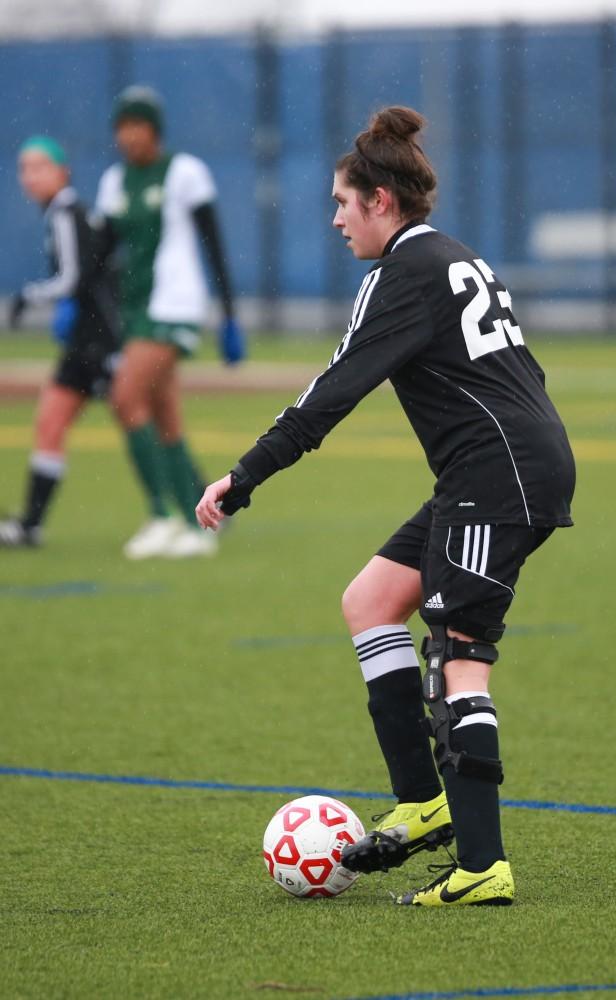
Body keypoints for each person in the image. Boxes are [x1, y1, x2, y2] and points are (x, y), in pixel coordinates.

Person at [196, 106, 576, 907]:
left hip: (497, 475)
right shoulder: (451, 258)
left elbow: (331, 391)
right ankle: (423, 799)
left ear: (380, 200)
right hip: (498, 468)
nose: (336, 219)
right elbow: (523, 376)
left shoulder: (402, 273)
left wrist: (245, 474)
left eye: (342, 202)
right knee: (370, 601)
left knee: (458, 655)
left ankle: (482, 866)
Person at [93, 85, 245, 560]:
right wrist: (79, 303)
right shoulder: (114, 182)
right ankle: (198, 524)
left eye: (135, 127)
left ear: (153, 129)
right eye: (121, 128)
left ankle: (163, 513)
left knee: (124, 398)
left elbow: (213, 241)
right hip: (136, 311)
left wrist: (228, 314)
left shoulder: (184, 172)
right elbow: (100, 253)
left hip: (175, 305)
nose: (127, 137)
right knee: (164, 418)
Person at [1, 136, 120, 548]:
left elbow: (74, 278)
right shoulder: (69, 212)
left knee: (143, 420)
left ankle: (198, 503)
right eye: (24, 168)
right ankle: (30, 525)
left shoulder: (66, 212)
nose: (30, 177)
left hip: (97, 343)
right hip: (90, 342)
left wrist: (26, 297)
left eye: (39, 167)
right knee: (52, 421)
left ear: (62, 171)